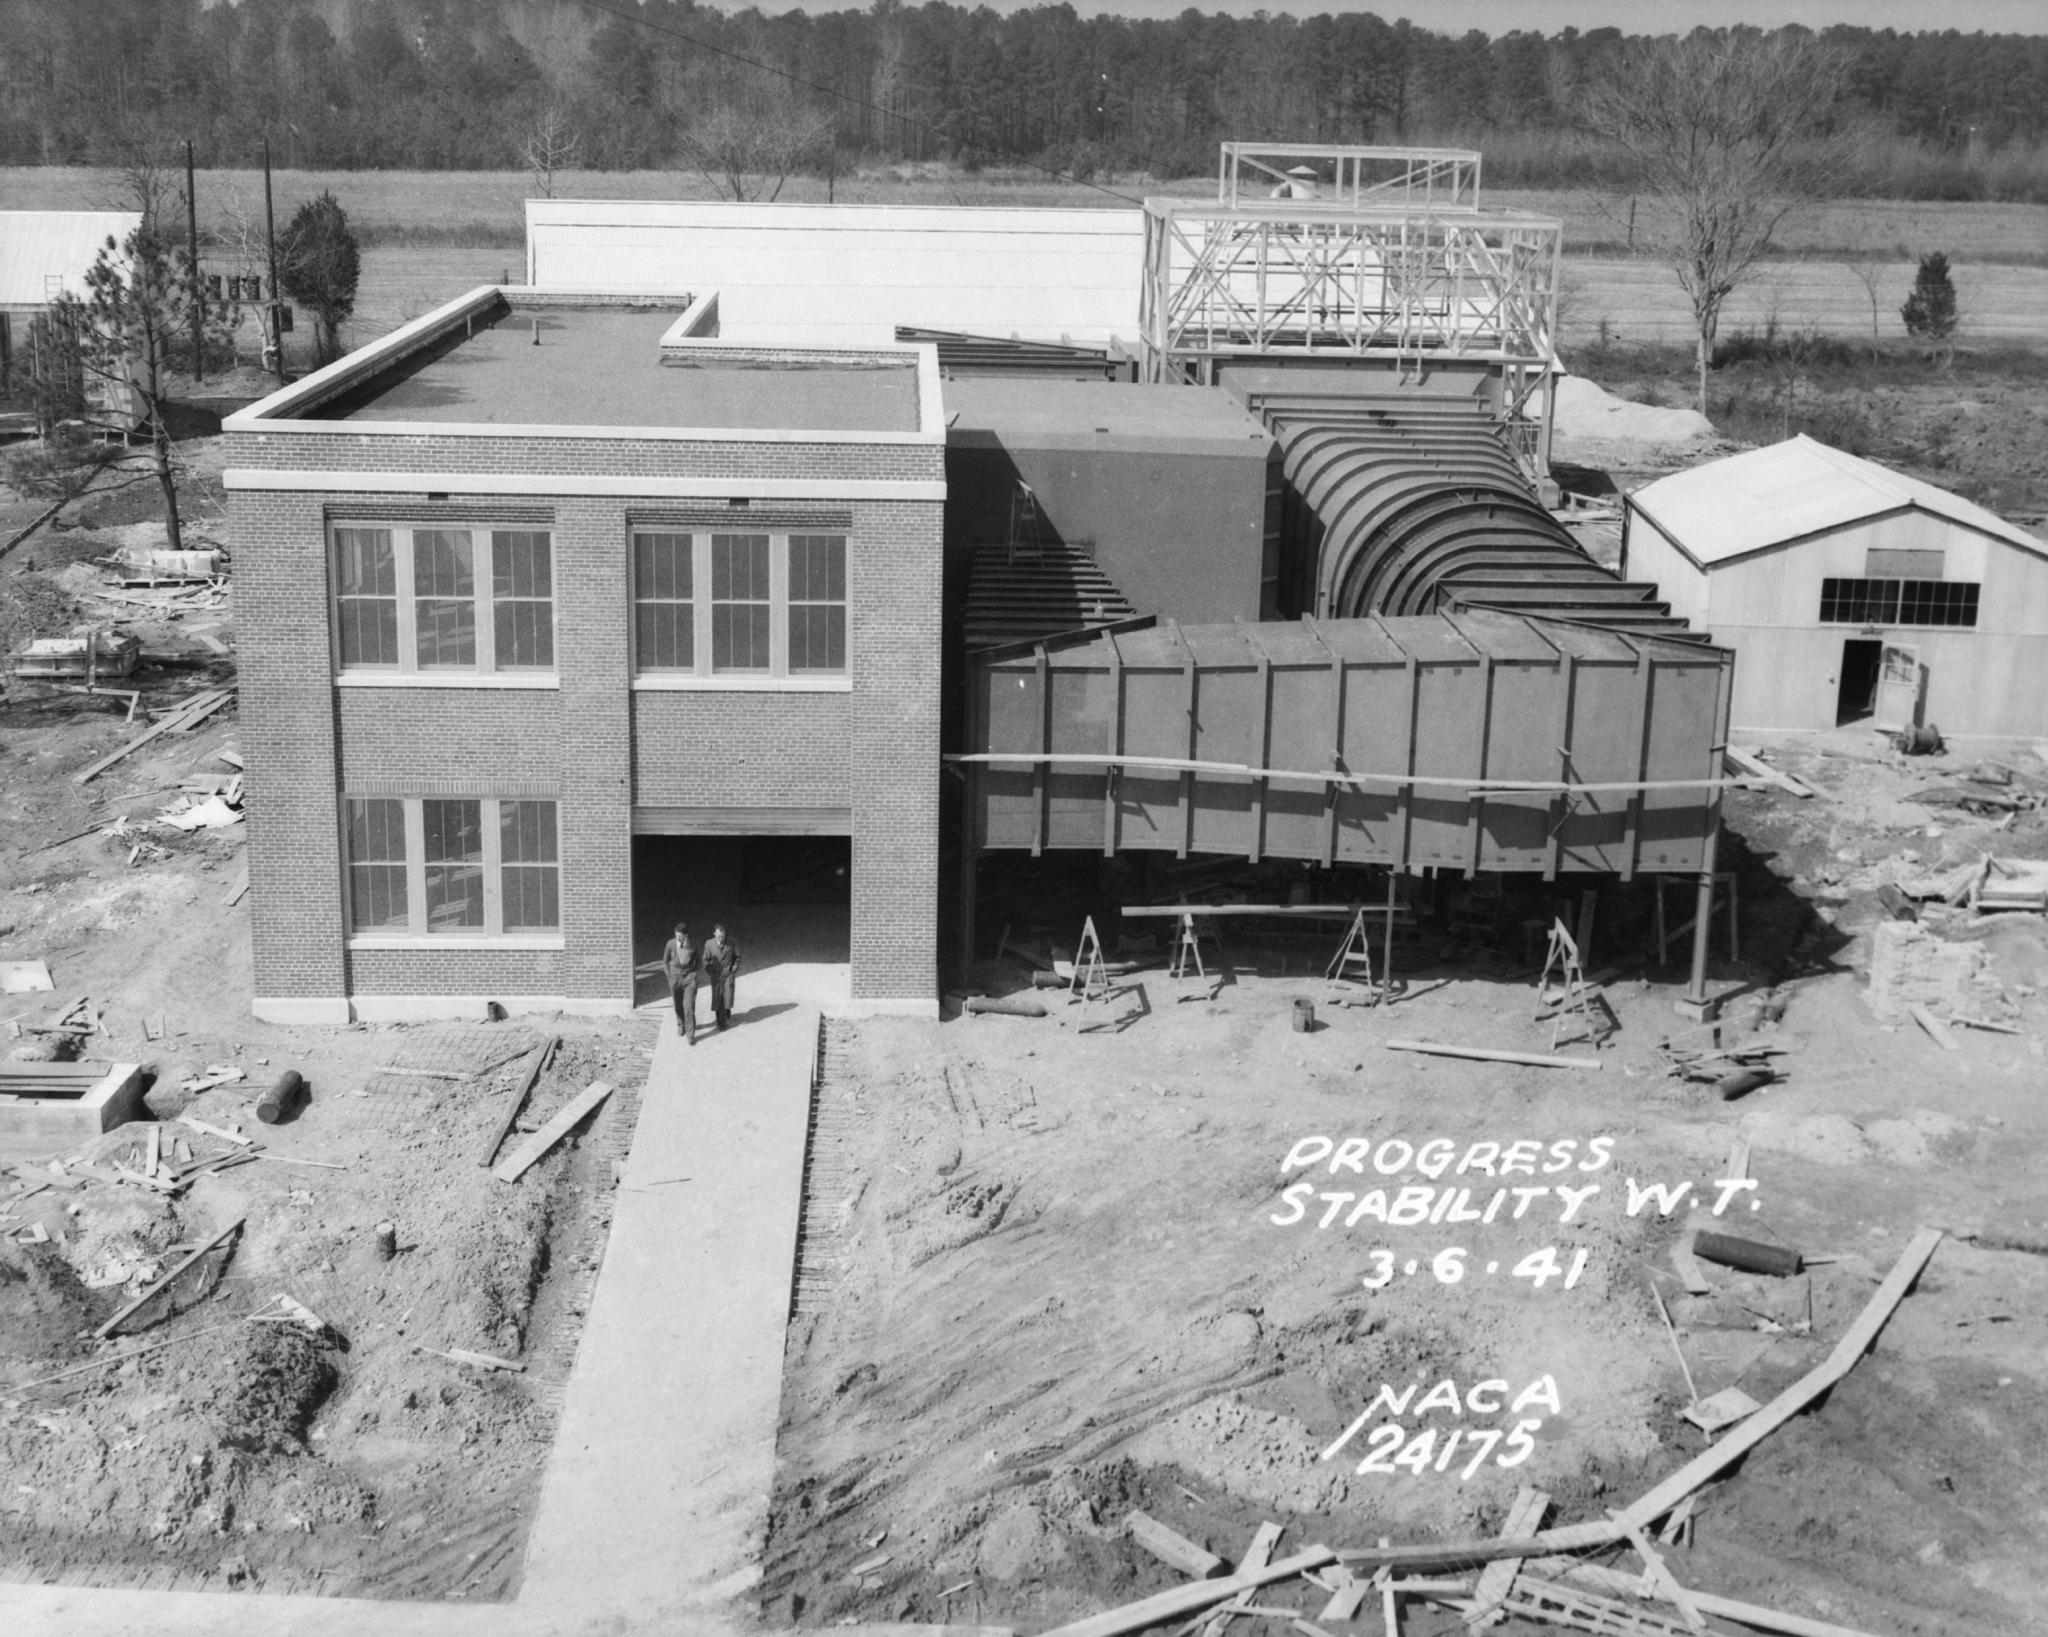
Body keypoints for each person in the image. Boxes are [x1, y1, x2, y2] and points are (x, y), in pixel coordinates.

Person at [662, 921, 700, 1044]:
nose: (678, 938)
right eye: (676, 935)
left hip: (689, 977)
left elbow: (698, 961)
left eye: (681, 936)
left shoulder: (693, 944)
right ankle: (681, 1025)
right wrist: (669, 977)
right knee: (678, 1005)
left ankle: (690, 1035)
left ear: (686, 935)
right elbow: (665, 961)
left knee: (688, 1006)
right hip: (675, 978)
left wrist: (694, 975)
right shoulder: (670, 944)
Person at [702, 922, 740, 1031]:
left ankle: (727, 1010)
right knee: (718, 1000)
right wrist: (711, 972)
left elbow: (737, 957)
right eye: (719, 936)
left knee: (727, 998)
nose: (721, 938)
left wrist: (733, 970)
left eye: (723, 936)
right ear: (714, 934)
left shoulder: (732, 942)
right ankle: (721, 1023)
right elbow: (705, 961)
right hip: (716, 976)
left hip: (728, 975)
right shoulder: (709, 944)